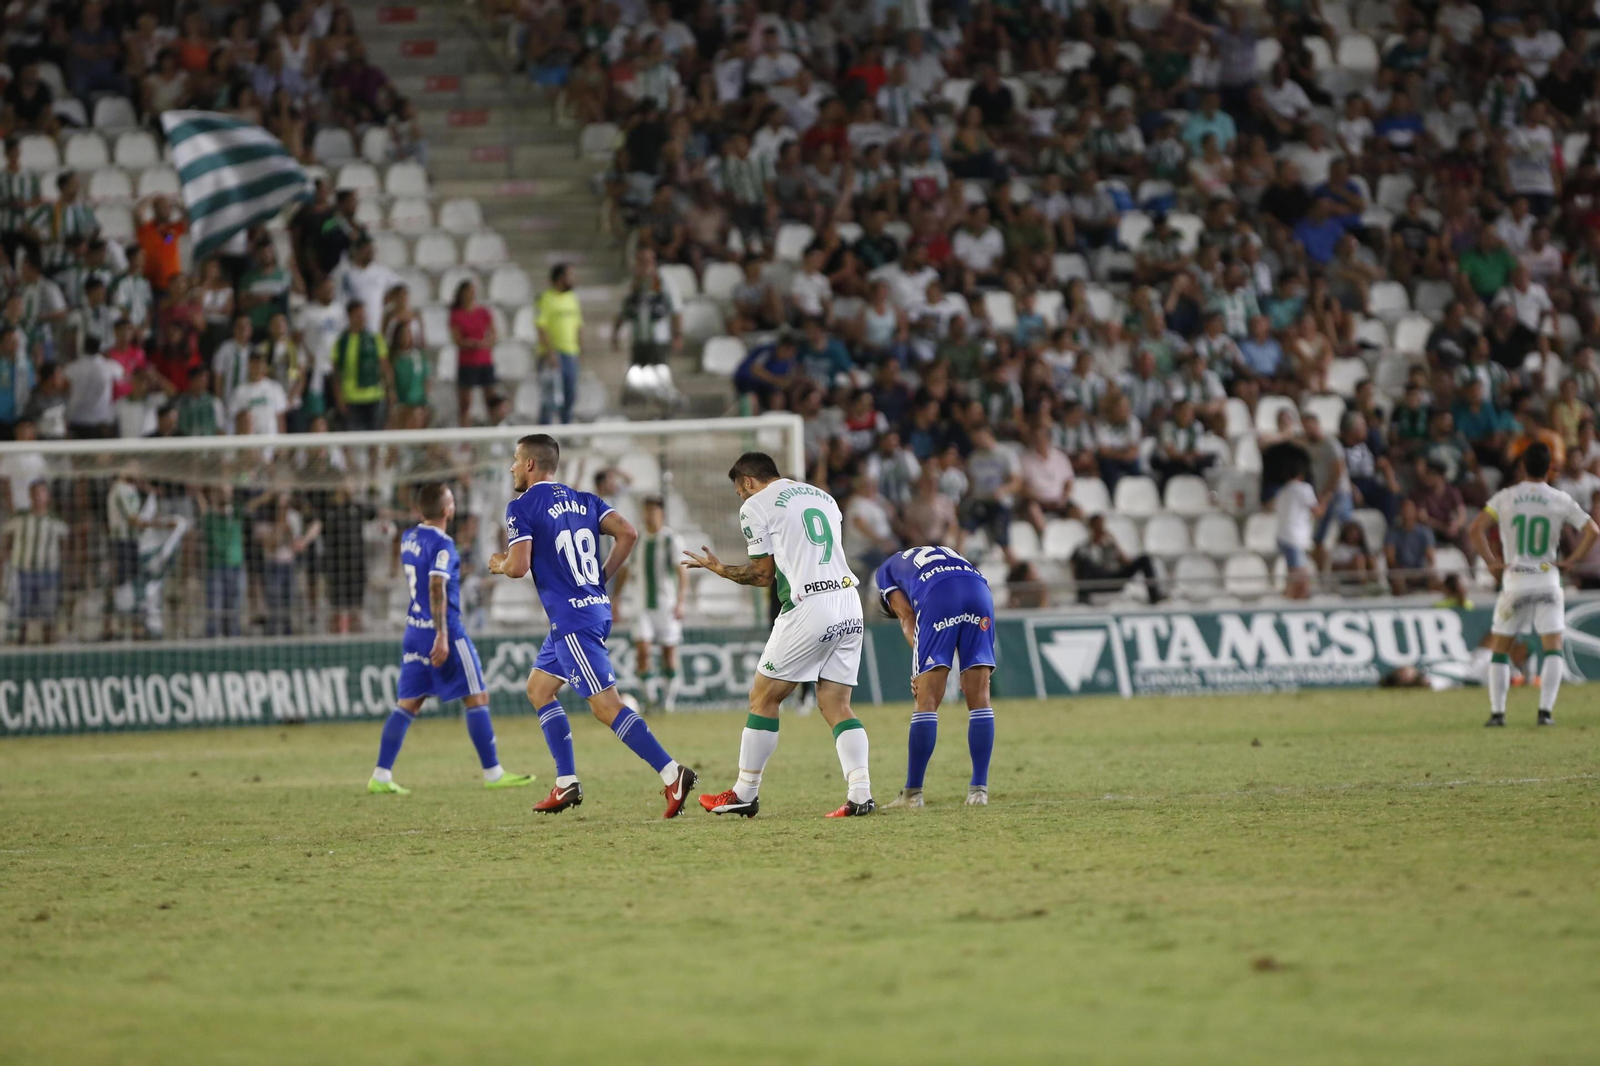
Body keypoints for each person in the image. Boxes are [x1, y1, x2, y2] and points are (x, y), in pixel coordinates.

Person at [489, 433, 695, 817]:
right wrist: (601, 578)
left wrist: (499, 563)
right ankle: (566, 783)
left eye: (516, 459)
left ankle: (672, 773)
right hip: (586, 612)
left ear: (530, 464)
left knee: (606, 707)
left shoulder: (522, 506)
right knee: (539, 688)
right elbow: (628, 533)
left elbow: (517, 567)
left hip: (574, 621)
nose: (513, 467)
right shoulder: (585, 500)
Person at [681, 451, 875, 818]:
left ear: (748, 482)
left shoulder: (756, 505)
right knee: (836, 703)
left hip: (810, 605)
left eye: (740, 492)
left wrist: (720, 569)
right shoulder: (823, 497)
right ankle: (860, 793)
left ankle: (744, 792)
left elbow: (762, 575)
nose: (741, 498)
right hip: (849, 601)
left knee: (763, 697)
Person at [369, 484, 538, 795]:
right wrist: (442, 635)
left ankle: (380, 774)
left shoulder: (408, 538)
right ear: (448, 510)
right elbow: (436, 586)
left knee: (408, 704)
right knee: (477, 697)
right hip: (444, 630)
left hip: (414, 629)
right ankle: (494, 773)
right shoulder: (443, 544)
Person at [1469, 443, 1599, 727]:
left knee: (1501, 648)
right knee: (1552, 648)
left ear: (1523, 467)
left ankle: (1498, 714)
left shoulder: (1506, 497)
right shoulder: (1559, 498)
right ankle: (1545, 712)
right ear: (1550, 468)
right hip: (1547, 578)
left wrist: (1491, 562)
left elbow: (1475, 529)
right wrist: (1572, 560)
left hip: (1516, 579)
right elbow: (1593, 530)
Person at [875, 545, 997, 809]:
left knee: (926, 700)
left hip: (939, 595)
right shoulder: (942, 552)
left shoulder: (885, 572)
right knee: (980, 698)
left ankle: (912, 794)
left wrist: (920, 668)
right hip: (980, 592)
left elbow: (908, 617)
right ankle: (979, 791)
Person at [627, 496, 688, 712]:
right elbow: (626, 571)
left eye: (653, 511)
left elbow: (682, 573)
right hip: (641, 605)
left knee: (668, 652)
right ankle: (650, 700)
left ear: (661, 513)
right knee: (642, 651)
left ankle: (667, 702)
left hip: (666, 605)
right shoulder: (637, 540)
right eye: (646, 510)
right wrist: (615, 599)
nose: (649, 515)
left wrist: (680, 602)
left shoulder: (671, 540)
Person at [1, 479, 67, 644]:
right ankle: (20, 646)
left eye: (42, 492)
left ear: (48, 496)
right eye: (35, 493)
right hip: (23, 572)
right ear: (30, 496)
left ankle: (49, 647)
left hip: (48, 572)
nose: (39, 497)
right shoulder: (20, 519)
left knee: (48, 615)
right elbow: (6, 543)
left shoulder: (55, 521)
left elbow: (65, 545)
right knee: (21, 615)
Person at [1070, 513, 1163, 604]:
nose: (1100, 528)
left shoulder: (1110, 545)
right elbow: (1074, 566)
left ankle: (1154, 596)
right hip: (1096, 580)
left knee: (1144, 559)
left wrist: (1115, 544)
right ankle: (1082, 598)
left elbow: (1126, 562)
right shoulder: (1083, 548)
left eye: (1102, 525)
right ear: (1091, 528)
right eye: (1097, 525)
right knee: (1084, 561)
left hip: (1113, 578)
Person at [329, 300, 393, 433]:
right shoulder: (341, 342)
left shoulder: (375, 339)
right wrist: (339, 398)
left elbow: (385, 368)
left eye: (364, 315)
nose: (362, 318)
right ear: (350, 316)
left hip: (374, 396)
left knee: (375, 434)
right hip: (350, 398)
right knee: (353, 435)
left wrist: (390, 391)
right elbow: (336, 374)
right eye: (358, 315)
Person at [535, 264, 584, 425]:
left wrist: (580, 349)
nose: (573, 279)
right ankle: (544, 433)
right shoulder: (546, 298)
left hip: (570, 353)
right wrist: (550, 353)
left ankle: (566, 430)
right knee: (549, 398)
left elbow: (578, 325)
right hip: (551, 355)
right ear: (560, 278)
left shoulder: (573, 298)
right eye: (570, 275)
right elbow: (541, 327)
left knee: (569, 397)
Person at [449, 280, 496, 426]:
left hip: (484, 360)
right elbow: (457, 340)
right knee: (465, 403)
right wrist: (471, 343)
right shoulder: (457, 315)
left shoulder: (483, 312)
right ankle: (465, 432)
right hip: (467, 361)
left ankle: (494, 429)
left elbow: (493, 332)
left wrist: (485, 342)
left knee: (491, 400)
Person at [1272, 465, 1320, 599]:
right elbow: (1317, 511)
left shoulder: (1282, 491)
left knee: (1296, 576)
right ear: (1301, 475)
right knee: (1300, 578)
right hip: (1295, 538)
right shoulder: (1304, 488)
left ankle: (1292, 602)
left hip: (1284, 536)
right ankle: (1289, 603)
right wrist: (1328, 496)